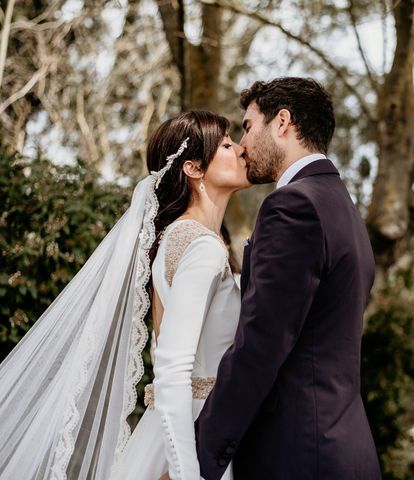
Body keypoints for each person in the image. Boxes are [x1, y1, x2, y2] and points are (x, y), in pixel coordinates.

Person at [0, 111, 248, 480]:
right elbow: (173, 371)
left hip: (182, 430)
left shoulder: (182, 237)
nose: (241, 149)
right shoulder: (201, 247)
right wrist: (187, 474)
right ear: (194, 169)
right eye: (227, 145)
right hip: (192, 435)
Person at [195, 77, 382, 480]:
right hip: (343, 447)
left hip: (299, 455)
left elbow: (259, 345)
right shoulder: (342, 209)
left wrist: (197, 459)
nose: (242, 145)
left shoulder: (293, 205)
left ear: (282, 122)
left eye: (248, 126)